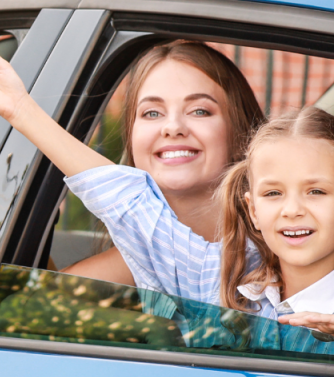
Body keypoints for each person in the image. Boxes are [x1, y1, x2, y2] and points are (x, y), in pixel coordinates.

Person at [0, 12, 334, 355]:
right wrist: (19, 109)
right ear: (250, 203)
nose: (293, 210)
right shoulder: (210, 276)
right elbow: (122, 200)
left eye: (316, 191)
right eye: (274, 193)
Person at [62, 40, 266, 286]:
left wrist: (20, 110)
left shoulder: (279, 249)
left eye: (199, 111)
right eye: (152, 113)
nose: (173, 127)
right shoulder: (140, 257)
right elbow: (27, 305)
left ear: (240, 134)